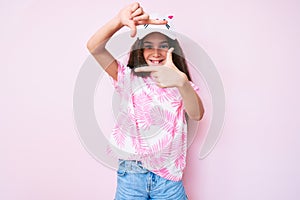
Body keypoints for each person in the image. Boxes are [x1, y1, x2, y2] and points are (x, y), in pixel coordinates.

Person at [87, 2, 204, 200]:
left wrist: (182, 83)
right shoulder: (127, 78)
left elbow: (197, 114)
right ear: (139, 49)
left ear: (173, 50)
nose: (156, 53)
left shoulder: (179, 82)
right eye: (148, 46)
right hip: (132, 175)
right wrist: (118, 21)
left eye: (163, 46)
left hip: (169, 179)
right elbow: (94, 48)